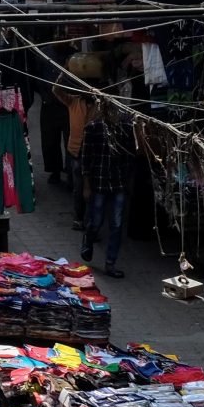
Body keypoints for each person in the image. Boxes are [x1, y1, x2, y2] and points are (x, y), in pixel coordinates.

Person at [78, 101, 133, 277]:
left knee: (116, 224)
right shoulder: (93, 128)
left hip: (118, 183)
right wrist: (86, 186)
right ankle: (88, 237)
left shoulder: (125, 128)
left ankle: (110, 263)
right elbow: (86, 159)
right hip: (99, 182)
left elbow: (128, 156)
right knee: (96, 220)